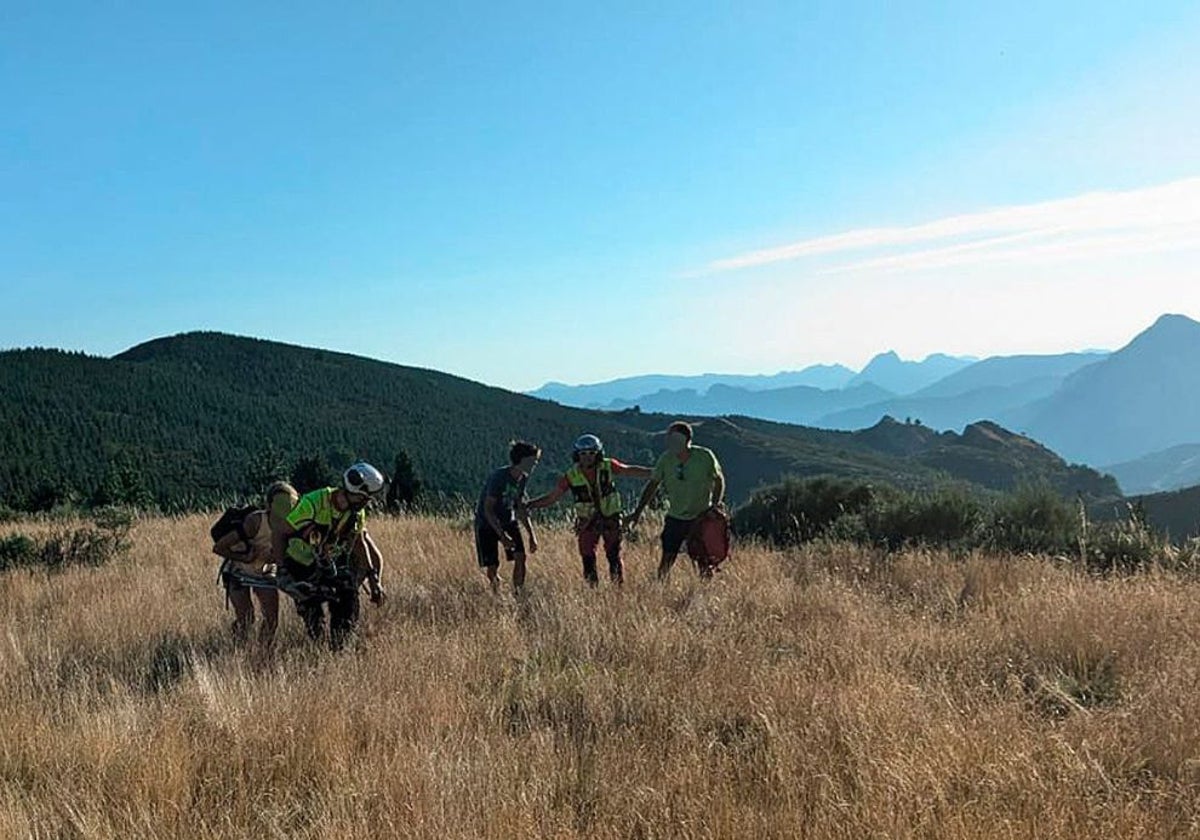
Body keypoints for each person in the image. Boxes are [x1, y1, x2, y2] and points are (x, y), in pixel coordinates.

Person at [272, 462, 387, 650]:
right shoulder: (313, 503)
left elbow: (359, 543)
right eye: (365, 498)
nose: (368, 502)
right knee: (313, 613)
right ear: (355, 492)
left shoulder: (357, 514)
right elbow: (280, 533)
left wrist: (374, 579)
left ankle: (340, 649)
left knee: (348, 599)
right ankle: (318, 647)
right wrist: (283, 569)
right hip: (300, 563)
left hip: (330, 562)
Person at [524, 434, 652, 586]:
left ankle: (618, 589)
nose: (587, 457)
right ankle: (592, 591)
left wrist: (656, 473)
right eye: (583, 454)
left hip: (610, 517)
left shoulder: (608, 465)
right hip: (587, 522)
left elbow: (629, 470)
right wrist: (529, 504)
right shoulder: (571, 476)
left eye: (591, 453)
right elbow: (552, 497)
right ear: (577, 455)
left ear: (598, 453)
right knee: (587, 556)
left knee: (613, 555)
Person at [626, 421, 727, 580]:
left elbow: (719, 480)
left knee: (703, 560)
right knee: (667, 557)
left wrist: (715, 505)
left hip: (700, 517)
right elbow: (652, 484)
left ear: (687, 440)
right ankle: (660, 588)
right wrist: (637, 512)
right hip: (675, 517)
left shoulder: (705, 456)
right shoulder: (666, 459)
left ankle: (705, 593)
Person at [212, 481, 299, 649]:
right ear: (269, 504)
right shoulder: (256, 521)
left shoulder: (292, 526)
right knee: (246, 619)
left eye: (292, 504)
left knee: (271, 620)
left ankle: (261, 656)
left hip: (265, 574)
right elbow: (219, 547)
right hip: (237, 573)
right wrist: (244, 557)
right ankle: (237, 649)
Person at [475, 441, 540, 595]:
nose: (535, 464)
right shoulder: (499, 477)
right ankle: (495, 588)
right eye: (532, 461)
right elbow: (488, 509)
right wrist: (502, 536)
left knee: (520, 557)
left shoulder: (522, 478)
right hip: (486, 523)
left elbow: (519, 506)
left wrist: (532, 535)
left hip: (508, 520)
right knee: (492, 566)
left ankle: (518, 593)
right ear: (521, 460)